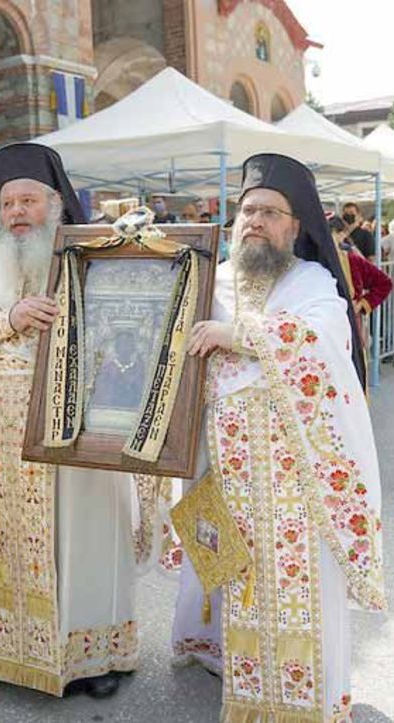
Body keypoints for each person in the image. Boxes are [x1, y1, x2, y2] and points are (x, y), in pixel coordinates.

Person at [172, 154, 384, 721]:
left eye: (270, 211)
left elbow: (319, 340)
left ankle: (298, 698)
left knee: (295, 589)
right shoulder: (210, 279)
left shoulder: (312, 281)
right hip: (223, 465)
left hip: (296, 478)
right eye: (247, 210)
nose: (255, 221)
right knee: (230, 576)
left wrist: (236, 334)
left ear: (296, 226)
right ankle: (235, 676)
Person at [0, 143, 141, 699]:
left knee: (87, 530)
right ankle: (0, 650)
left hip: (84, 433)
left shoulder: (92, 258)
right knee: (13, 543)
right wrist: (6, 317)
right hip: (6, 442)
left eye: (30, 199)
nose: (19, 211)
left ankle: (91, 653)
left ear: (56, 203)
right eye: (8, 202)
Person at [329, 215, 392, 347]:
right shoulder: (311, 263)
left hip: (350, 325)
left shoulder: (352, 261)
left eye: (331, 235)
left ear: (342, 235)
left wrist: (362, 304)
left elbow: (384, 283)